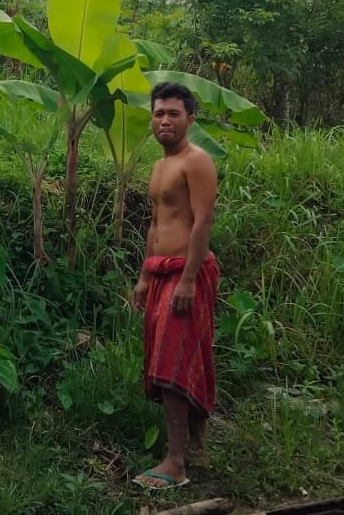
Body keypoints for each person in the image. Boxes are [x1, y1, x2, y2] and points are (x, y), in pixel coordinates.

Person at [131, 81, 220, 491]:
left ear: (190, 119)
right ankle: (193, 444)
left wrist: (187, 280)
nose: (164, 120)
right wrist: (146, 275)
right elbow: (155, 223)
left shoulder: (196, 161)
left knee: (173, 363)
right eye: (158, 113)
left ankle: (176, 462)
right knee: (167, 359)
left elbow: (202, 223)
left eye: (173, 114)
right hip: (162, 271)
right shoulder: (160, 165)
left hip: (187, 273)